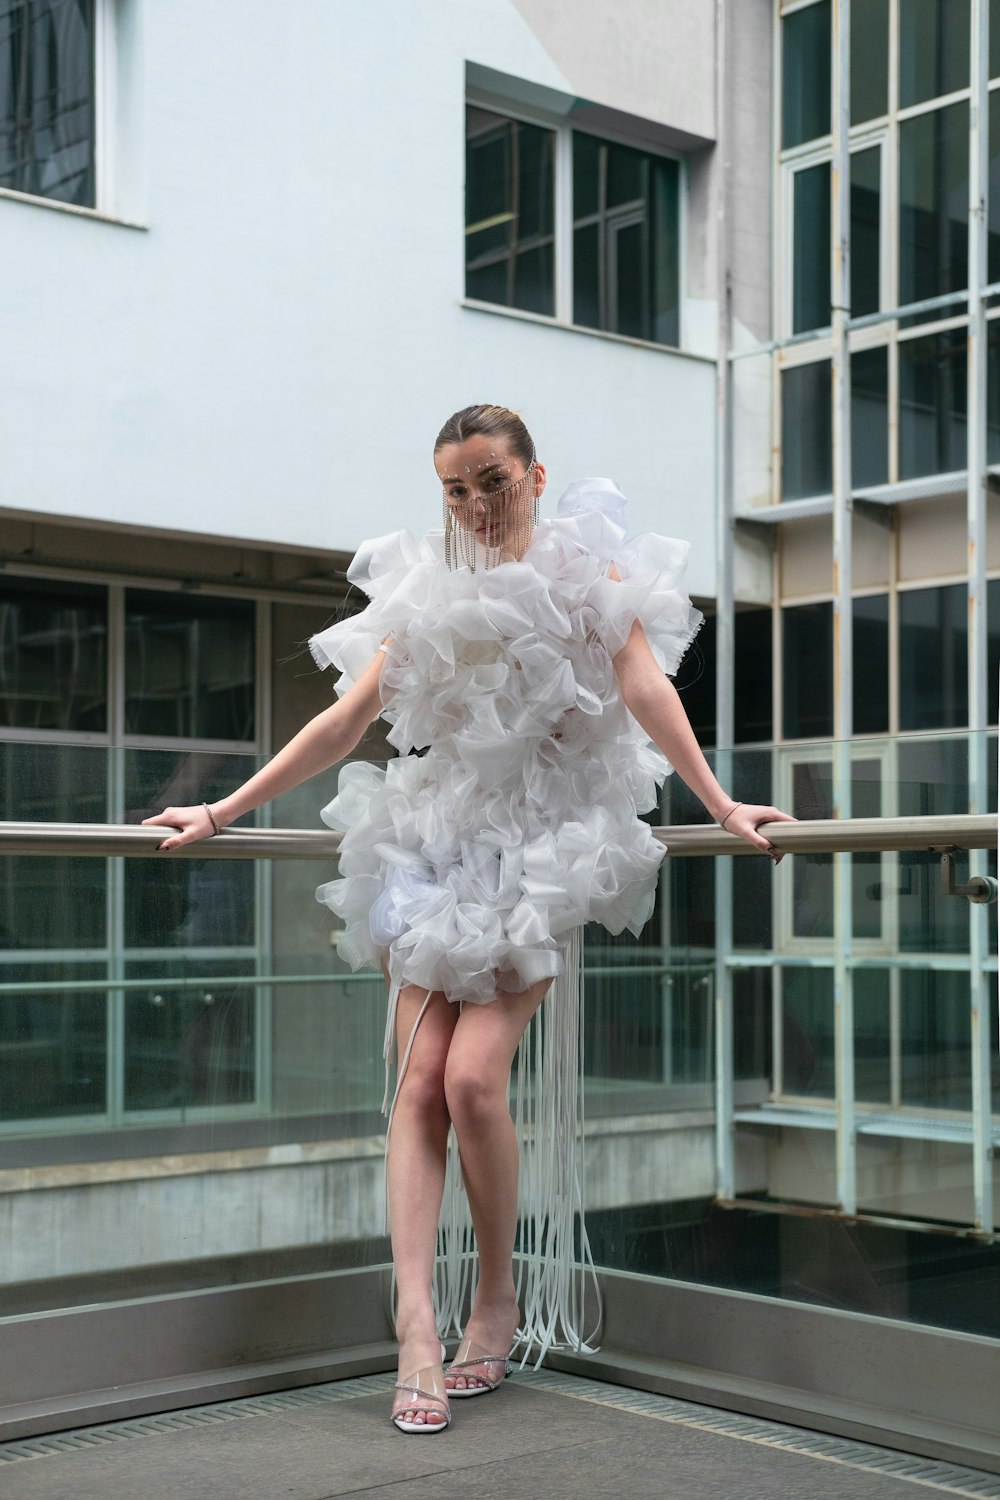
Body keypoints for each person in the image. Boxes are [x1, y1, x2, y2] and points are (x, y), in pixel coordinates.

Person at [142, 404, 793, 1435]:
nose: (475, 505)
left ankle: (494, 1298)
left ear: (534, 477)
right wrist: (222, 810)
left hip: (546, 842)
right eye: (455, 488)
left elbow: (643, 688)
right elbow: (347, 720)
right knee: (416, 1083)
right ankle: (412, 1328)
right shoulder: (425, 586)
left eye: (492, 480)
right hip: (436, 835)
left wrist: (719, 802)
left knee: (472, 1080)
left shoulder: (590, 576)